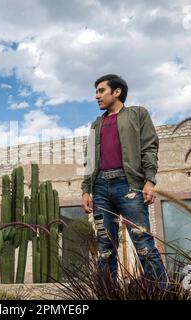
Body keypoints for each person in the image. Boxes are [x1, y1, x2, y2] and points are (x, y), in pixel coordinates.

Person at [81, 74, 167, 287]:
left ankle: (159, 292)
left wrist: (150, 181)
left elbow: (149, 147)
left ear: (116, 92)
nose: (96, 96)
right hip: (100, 188)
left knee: (143, 243)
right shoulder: (95, 125)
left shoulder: (137, 114)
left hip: (128, 185)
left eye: (101, 91)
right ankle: (107, 293)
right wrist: (86, 190)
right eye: (96, 92)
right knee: (104, 248)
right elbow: (89, 159)